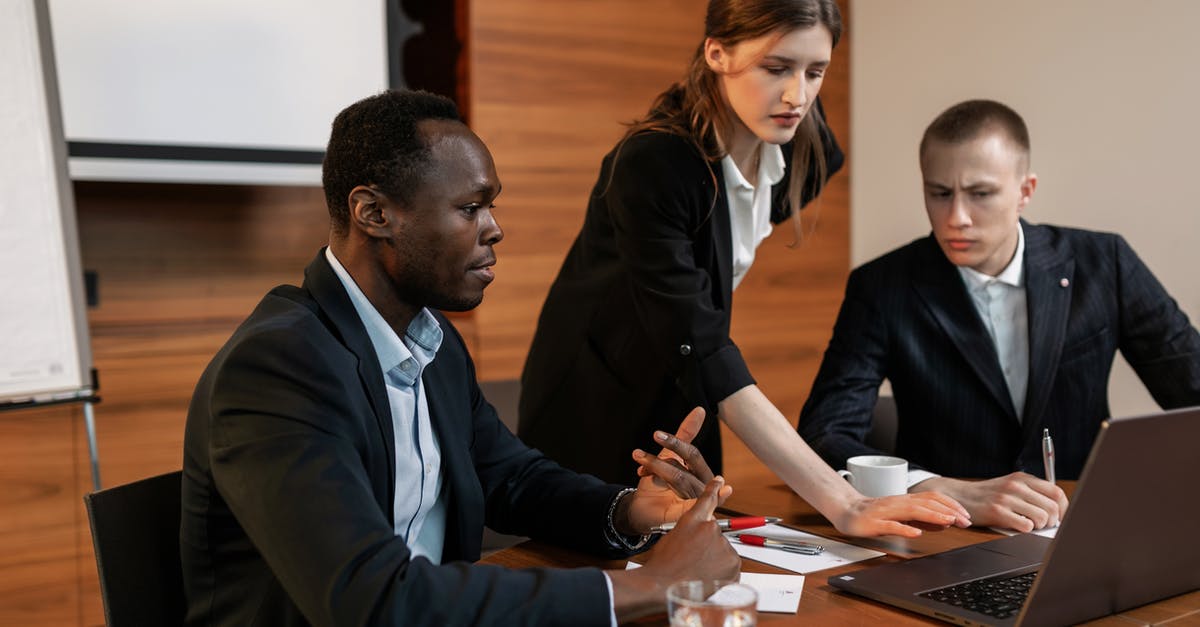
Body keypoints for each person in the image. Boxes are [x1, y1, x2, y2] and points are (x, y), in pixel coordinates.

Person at [180, 89, 744, 626]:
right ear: (374, 214)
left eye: (490, 206)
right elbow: (368, 602)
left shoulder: (434, 343)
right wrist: (650, 585)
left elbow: (511, 479)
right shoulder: (281, 366)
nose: (494, 229)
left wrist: (630, 510)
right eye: (470, 207)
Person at [518, 0, 971, 538]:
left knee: (696, 566)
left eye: (815, 71)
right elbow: (705, 347)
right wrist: (844, 503)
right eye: (775, 68)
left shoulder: (799, 144)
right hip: (594, 405)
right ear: (718, 52)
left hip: (685, 393)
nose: (797, 95)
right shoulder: (655, 167)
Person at [797, 98, 1200, 532]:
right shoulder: (881, 286)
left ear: (1025, 191)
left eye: (981, 193)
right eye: (939, 193)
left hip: (1082, 530)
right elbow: (825, 433)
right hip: (942, 538)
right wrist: (934, 487)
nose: (957, 218)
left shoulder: (1106, 263)